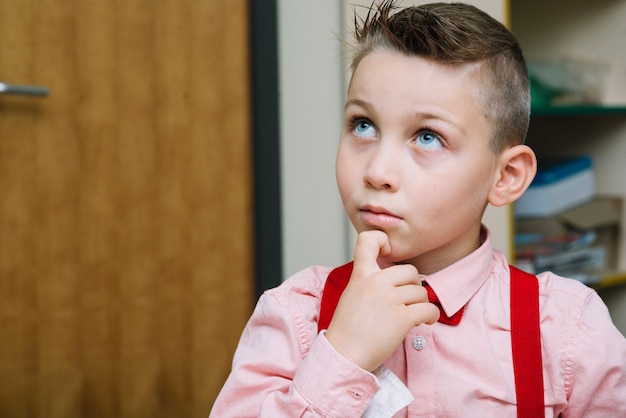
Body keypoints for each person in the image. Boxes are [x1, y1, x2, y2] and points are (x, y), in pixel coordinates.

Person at [210, 1, 626, 416]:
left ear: (507, 176)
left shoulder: (567, 329)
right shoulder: (294, 316)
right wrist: (343, 355)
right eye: (363, 125)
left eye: (427, 137)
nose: (377, 171)